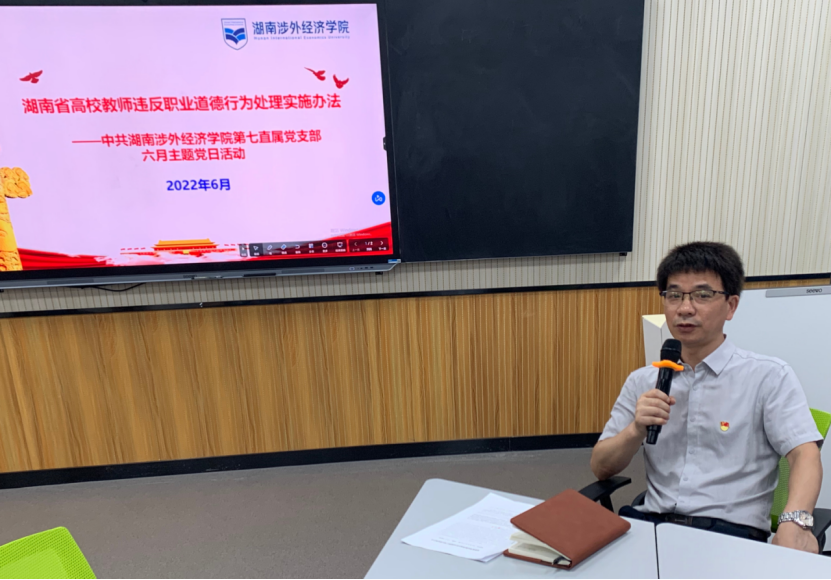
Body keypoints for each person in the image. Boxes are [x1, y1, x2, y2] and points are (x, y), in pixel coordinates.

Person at [591, 242, 823, 553]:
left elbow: (804, 454)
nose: (685, 309)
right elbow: (601, 467)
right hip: (652, 529)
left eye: (702, 295)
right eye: (674, 295)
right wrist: (635, 430)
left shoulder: (768, 376)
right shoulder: (643, 381)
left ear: (731, 306)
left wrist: (796, 522)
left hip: (731, 536)